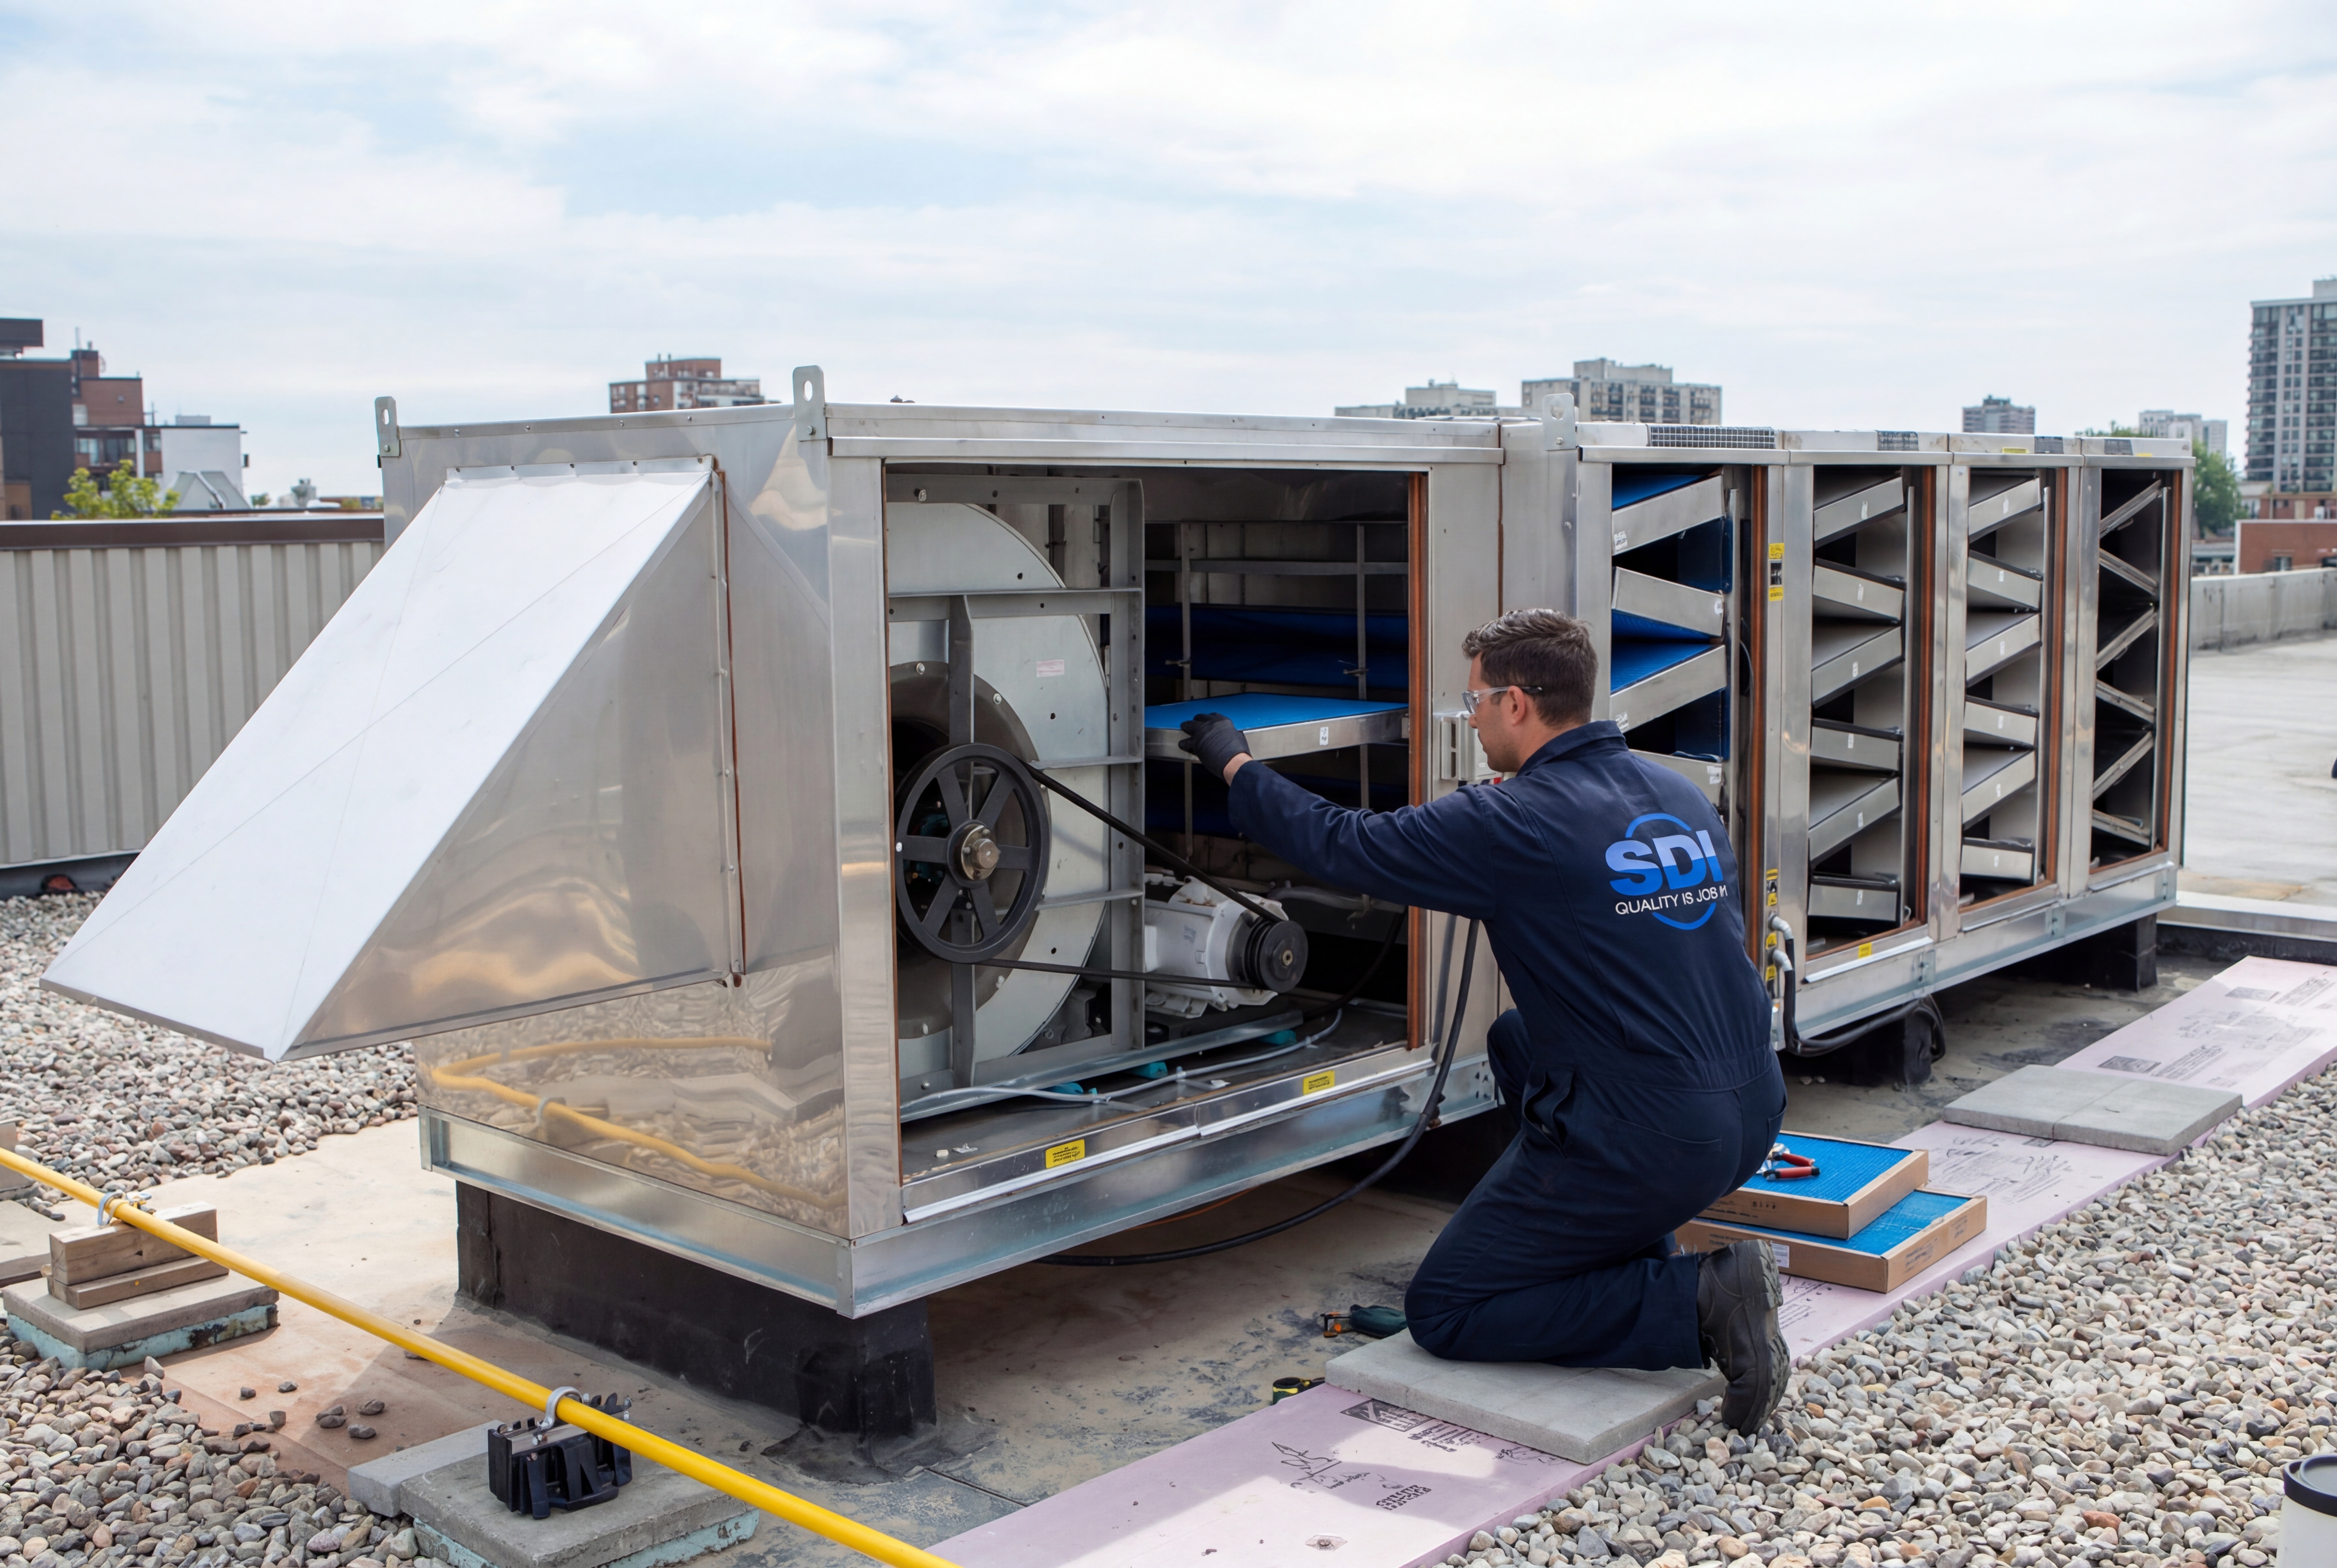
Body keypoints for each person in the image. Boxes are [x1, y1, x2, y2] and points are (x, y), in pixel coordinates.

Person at [1177, 608, 1790, 1431]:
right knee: (1516, 1041)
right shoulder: (1674, 793)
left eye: (1474, 703)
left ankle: (1699, 1299)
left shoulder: (1515, 822)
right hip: (1752, 1106)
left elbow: (1343, 844)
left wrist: (1235, 764)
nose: (1468, 720)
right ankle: (1621, 1247)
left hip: (1659, 1135)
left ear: (1516, 704)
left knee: (1449, 1310)